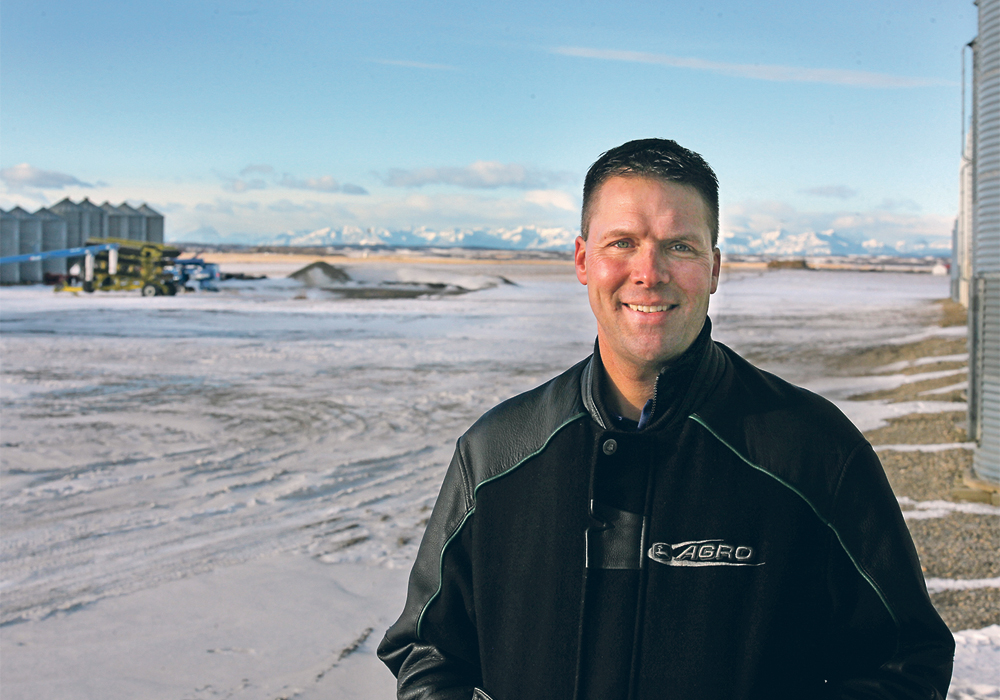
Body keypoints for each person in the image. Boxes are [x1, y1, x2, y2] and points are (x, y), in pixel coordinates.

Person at [377, 139, 954, 700]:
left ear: (715, 267)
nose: (648, 272)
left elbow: (906, 660)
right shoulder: (498, 454)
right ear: (583, 260)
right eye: (623, 242)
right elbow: (428, 652)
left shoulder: (810, 452)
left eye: (679, 246)